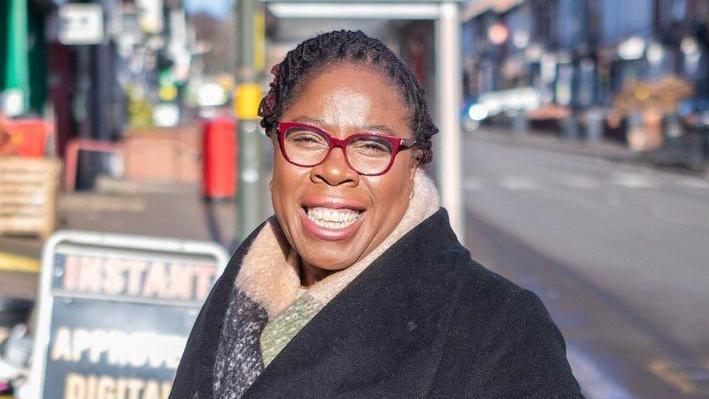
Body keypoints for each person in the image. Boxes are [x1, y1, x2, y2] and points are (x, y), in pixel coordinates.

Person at [169, 30, 583, 398]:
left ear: (414, 164)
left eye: (371, 146)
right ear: (275, 148)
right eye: (308, 138)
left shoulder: (499, 329)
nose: (333, 170)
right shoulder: (240, 286)